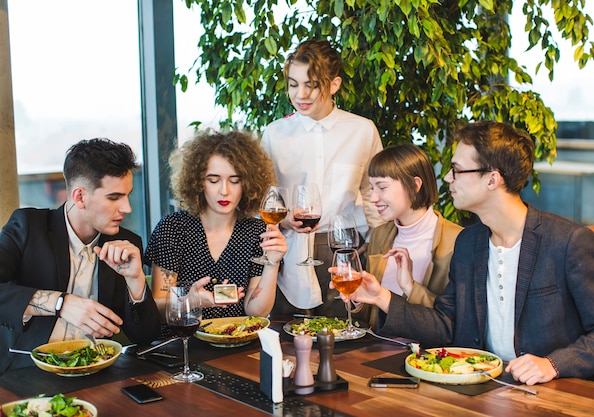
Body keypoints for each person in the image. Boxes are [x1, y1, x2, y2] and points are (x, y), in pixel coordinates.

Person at [338, 121, 594, 386]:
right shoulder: (469, 243)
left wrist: (553, 364)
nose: (448, 178)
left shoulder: (567, 241)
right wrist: (381, 298)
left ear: (492, 179)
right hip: (488, 390)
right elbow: (446, 326)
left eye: (457, 170)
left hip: (564, 394)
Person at [0, 138, 160, 373]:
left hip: (99, 374)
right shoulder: (28, 227)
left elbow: (146, 337)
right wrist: (61, 303)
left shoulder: (126, 244)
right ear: (79, 197)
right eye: (114, 197)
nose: (127, 208)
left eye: (128, 195)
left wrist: (135, 281)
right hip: (26, 373)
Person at [261, 39, 383, 317]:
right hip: (291, 246)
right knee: (292, 334)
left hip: (345, 247)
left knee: (348, 334)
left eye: (311, 85)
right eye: (293, 84)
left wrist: (378, 246)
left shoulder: (362, 131)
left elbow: (374, 195)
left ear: (334, 84)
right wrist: (285, 219)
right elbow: (265, 196)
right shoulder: (274, 133)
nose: (300, 94)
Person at [145, 130, 287, 326]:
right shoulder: (173, 228)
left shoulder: (256, 232)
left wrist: (273, 263)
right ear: (197, 182)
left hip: (236, 343)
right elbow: (157, 307)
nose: (224, 191)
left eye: (234, 181)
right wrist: (190, 301)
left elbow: (256, 312)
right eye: (213, 180)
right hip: (183, 345)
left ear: (247, 184)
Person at [351, 143, 462, 328]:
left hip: (428, 354)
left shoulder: (457, 241)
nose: (373, 198)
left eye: (382, 187)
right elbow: (371, 316)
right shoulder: (380, 235)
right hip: (377, 349)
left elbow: (450, 323)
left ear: (415, 184)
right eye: (372, 188)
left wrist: (410, 287)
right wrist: (357, 297)